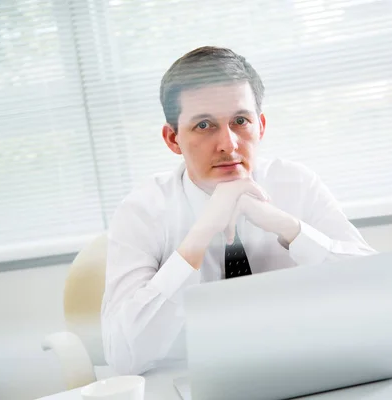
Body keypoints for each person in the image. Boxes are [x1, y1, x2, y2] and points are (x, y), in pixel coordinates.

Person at [101, 46, 375, 375]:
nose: (228, 144)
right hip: (194, 382)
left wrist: (290, 228)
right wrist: (197, 239)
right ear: (173, 139)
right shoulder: (141, 212)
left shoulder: (296, 183)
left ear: (260, 125)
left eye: (240, 121)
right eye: (204, 125)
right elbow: (122, 355)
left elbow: (379, 295)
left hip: (306, 371)